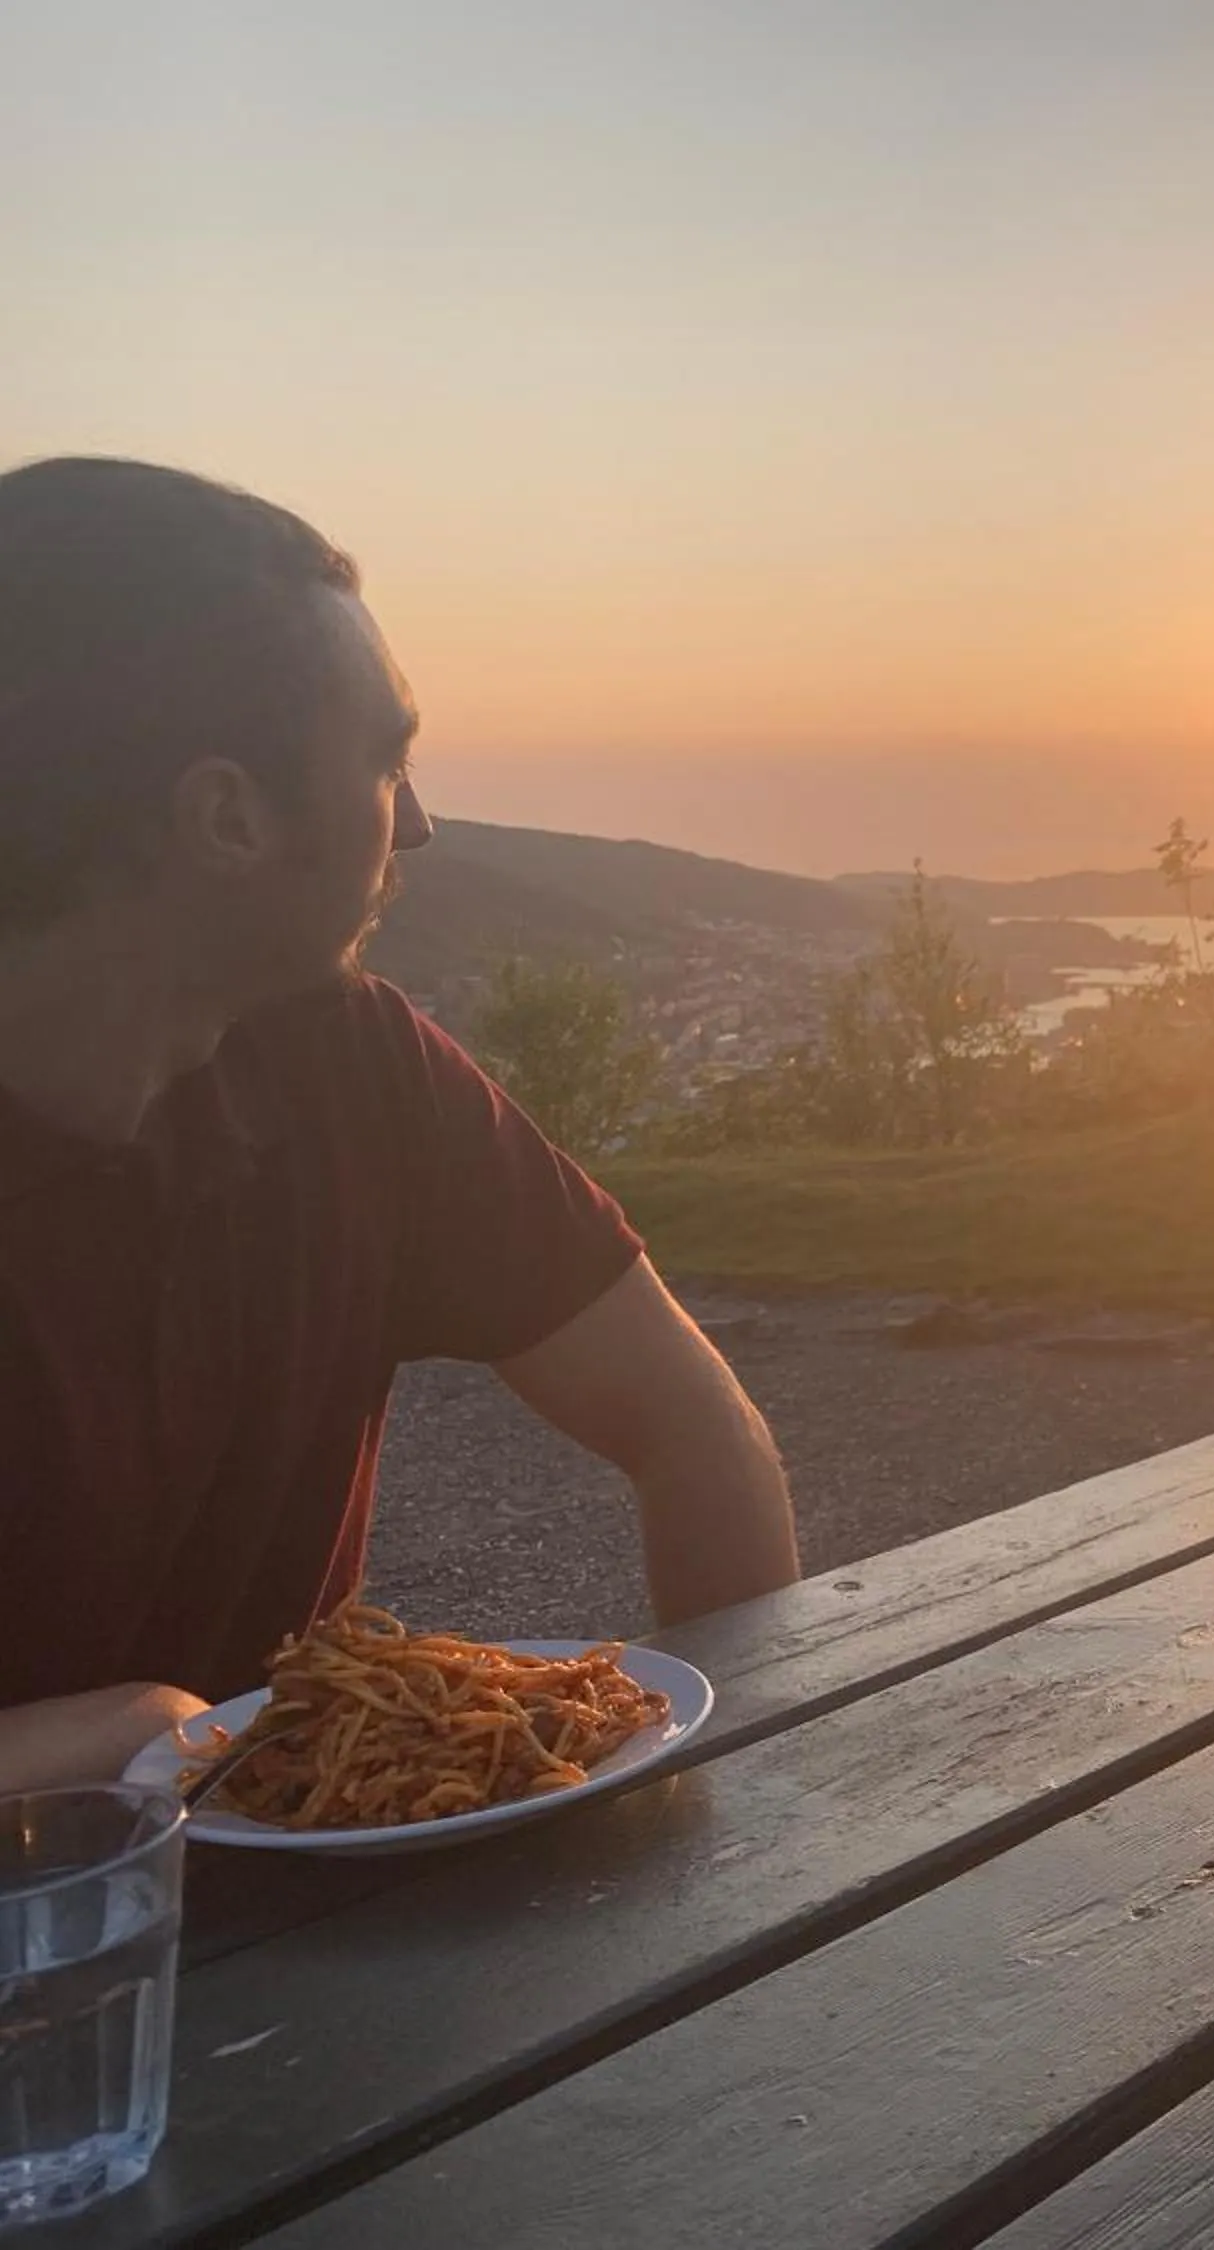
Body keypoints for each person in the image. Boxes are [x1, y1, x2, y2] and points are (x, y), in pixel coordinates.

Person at [0, 459, 802, 1797]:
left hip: (321, 1938)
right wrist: (119, 1745)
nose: (417, 823)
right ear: (227, 819)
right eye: (386, 761)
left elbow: (693, 1427)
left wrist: (754, 1814)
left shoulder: (350, 1067)